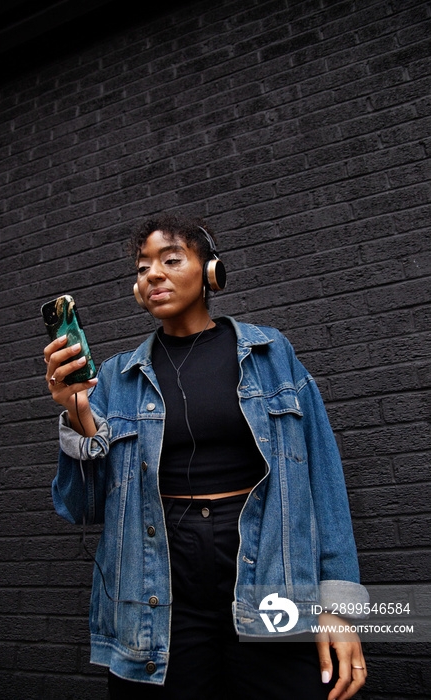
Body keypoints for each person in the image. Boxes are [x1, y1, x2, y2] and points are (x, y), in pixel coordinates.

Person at [44, 213, 368, 700]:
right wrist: (77, 416)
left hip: (271, 573)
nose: (152, 274)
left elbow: (323, 480)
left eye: (171, 259)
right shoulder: (114, 379)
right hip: (161, 586)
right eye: (141, 267)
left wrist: (340, 608)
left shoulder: (270, 353)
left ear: (210, 271)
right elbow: (83, 507)